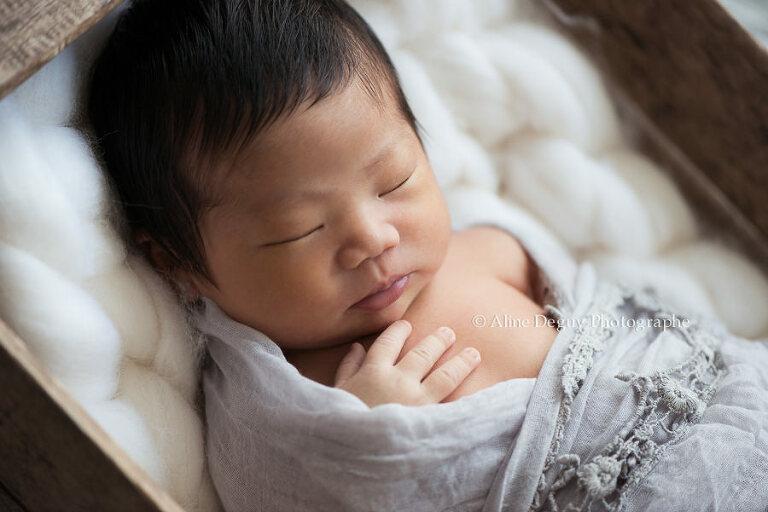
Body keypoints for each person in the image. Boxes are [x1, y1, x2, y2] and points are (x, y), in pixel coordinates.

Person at [86, 0, 557, 408]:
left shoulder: (477, 242)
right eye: (301, 229)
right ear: (176, 265)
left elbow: (592, 305)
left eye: (395, 181)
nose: (374, 240)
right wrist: (364, 444)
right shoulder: (280, 400)